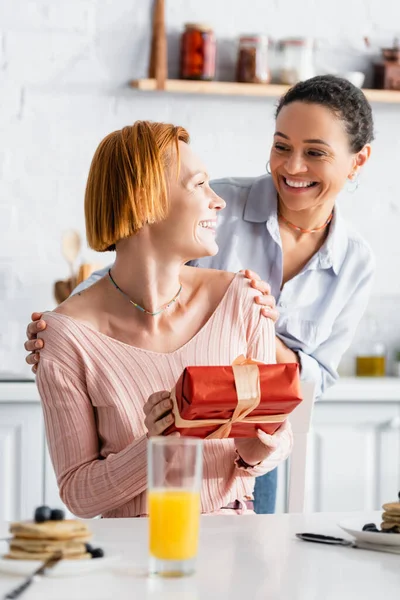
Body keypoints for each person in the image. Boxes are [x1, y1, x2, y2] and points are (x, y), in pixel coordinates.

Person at [25, 75, 375, 514]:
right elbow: (129, 268)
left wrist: (254, 362)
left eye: (316, 152)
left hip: (236, 475)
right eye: (282, 146)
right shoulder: (224, 207)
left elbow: (310, 382)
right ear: (146, 199)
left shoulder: (347, 264)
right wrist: (58, 330)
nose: (292, 166)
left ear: (357, 161)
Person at [34, 121, 292, 519]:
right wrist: (153, 447)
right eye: (199, 184)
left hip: (237, 550)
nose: (217, 200)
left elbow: (272, 437)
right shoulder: (66, 338)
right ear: (144, 200)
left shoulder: (243, 299)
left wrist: (261, 449)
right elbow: (78, 495)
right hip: (132, 562)